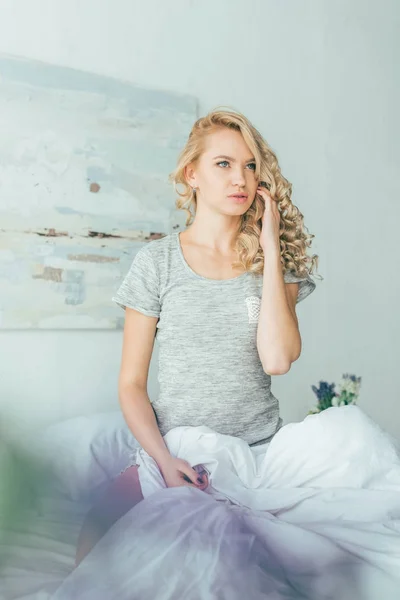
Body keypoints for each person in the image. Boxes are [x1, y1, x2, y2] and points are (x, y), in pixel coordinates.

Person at [75, 106, 319, 566]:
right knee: (92, 552)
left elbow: (278, 360)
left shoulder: (274, 264)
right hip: (178, 447)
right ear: (193, 175)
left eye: (250, 166)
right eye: (223, 164)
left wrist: (270, 250)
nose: (240, 179)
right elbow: (131, 385)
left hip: (259, 452)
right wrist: (164, 460)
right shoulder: (157, 263)